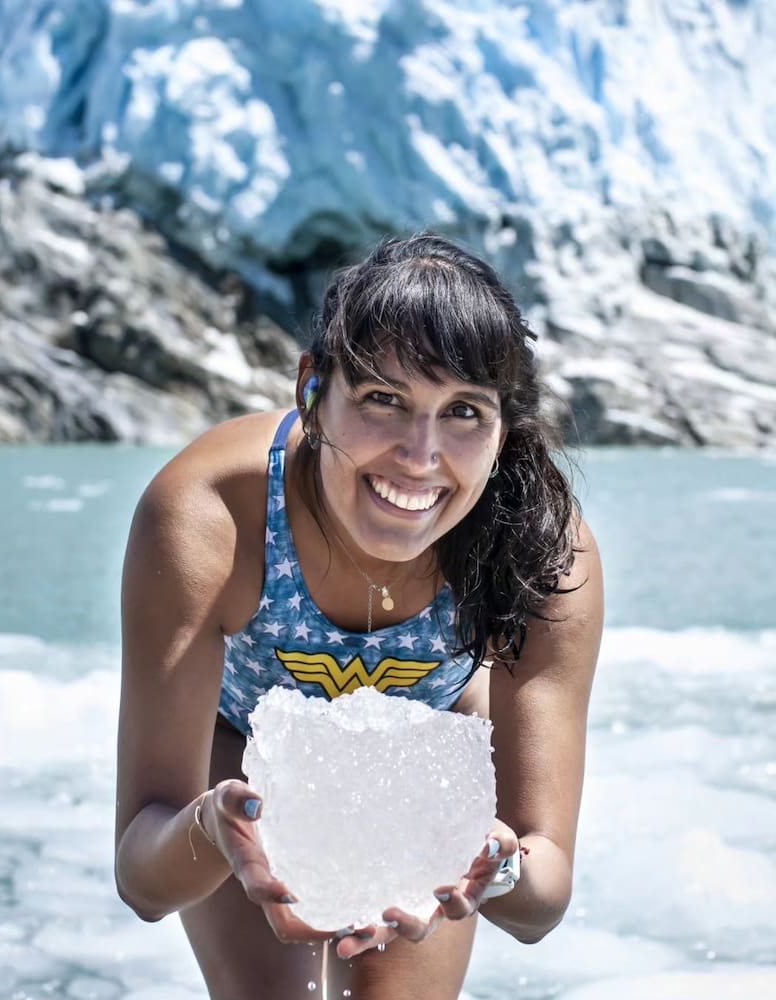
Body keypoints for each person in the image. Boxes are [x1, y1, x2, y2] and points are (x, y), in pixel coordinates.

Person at [115, 233, 604, 1000]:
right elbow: (142, 878)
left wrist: (493, 860)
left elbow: (543, 900)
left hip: (428, 748)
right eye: (384, 399)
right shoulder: (211, 516)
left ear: (503, 429)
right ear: (313, 389)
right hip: (240, 749)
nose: (420, 454)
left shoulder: (542, 551)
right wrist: (213, 827)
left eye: (464, 412)